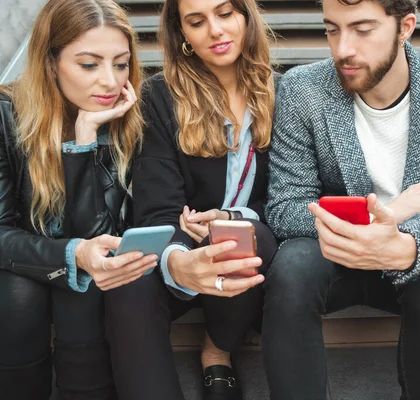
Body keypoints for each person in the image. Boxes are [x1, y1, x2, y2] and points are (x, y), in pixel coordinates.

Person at [261, 0, 420, 399]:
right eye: (332, 29)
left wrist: (404, 243)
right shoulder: (302, 89)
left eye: (362, 29)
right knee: (292, 267)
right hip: (331, 250)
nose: (343, 48)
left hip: (408, 249)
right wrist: (385, 215)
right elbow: (284, 208)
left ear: (406, 27)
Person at [104, 1, 277, 399]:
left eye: (225, 14)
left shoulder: (282, 93)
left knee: (241, 237)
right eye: (197, 22)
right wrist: (178, 261)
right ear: (182, 35)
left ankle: (216, 353)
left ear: (247, 17)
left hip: (254, 246)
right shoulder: (160, 96)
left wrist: (232, 217)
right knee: (127, 281)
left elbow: (292, 199)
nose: (214, 30)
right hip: (179, 239)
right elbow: (157, 211)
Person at [0, 0, 157, 399]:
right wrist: (71, 254)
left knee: (84, 285)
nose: (109, 81)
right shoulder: (6, 114)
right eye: (89, 64)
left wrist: (85, 139)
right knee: (23, 291)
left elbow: (96, 236)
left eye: (120, 64)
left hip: (85, 274)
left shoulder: (129, 121)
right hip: (17, 263)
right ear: (51, 62)